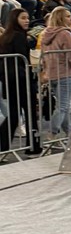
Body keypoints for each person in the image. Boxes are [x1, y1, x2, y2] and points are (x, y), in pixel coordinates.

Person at [0, 8, 41, 153]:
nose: (27, 20)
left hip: (11, 82)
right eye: (23, 18)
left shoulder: (7, 36)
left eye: (28, 18)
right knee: (28, 114)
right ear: (15, 20)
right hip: (20, 81)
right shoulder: (18, 37)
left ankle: (4, 146)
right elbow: (21, 60)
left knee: (14, 114)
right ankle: (33, 146)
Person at [40, 6, 71, 139]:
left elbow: (43, 56)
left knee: (62, 105)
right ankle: (52, 132)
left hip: (52, 74)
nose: (70, 19)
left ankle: (69, 133)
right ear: (60, 18)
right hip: (66, 73)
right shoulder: (65, 34)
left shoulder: (45, 34)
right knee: (63, 106)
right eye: (68, 16)